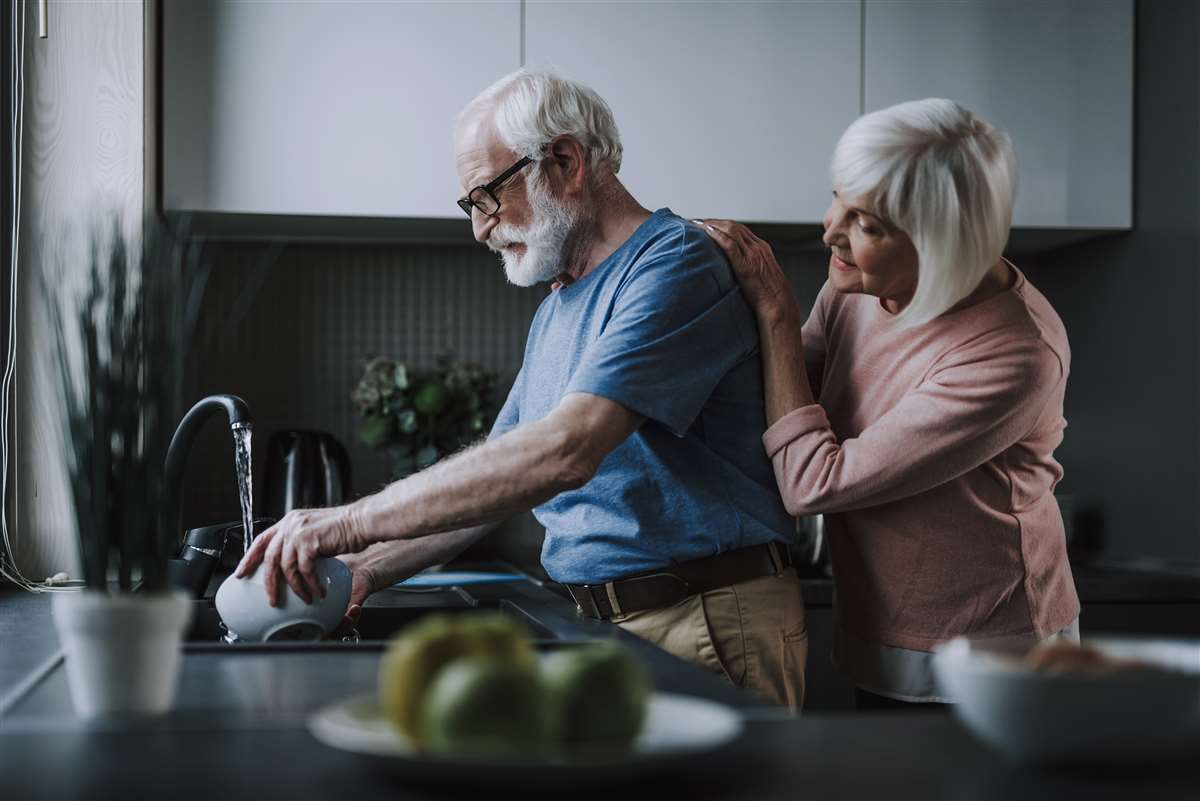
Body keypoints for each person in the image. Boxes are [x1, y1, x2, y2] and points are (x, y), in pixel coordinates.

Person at [236, 69, 808, 710]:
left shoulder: (675, 265)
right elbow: (497, 482)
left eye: (486, 197)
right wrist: (369, 566)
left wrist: (348, 522)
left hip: (700, 618)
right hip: (610, 623)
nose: (480, 228)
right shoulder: (558, 306)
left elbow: (566, 451)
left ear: (565, 161)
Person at [698, 98, 1080, 710]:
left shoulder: (1012, 354)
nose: (830, 231)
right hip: (881, 624)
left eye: (867, 224)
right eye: (838, 198)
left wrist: (773, 308)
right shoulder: (860, 283)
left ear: (942, 240)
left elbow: (813, 483)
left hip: (987, 653)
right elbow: (787, 385)